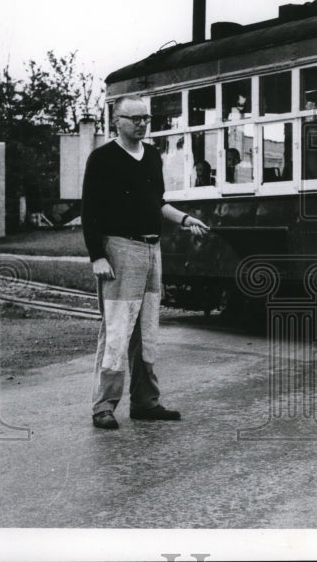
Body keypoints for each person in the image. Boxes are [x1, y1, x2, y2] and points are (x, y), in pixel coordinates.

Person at [82, 96, 209, 430]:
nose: (141, 124)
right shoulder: (103, 158)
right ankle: (103, 406)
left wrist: (184, 219)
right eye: (134, 118)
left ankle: (145, 401)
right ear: (117, 120)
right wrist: (97, 256)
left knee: (148, 329)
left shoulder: (152, 156)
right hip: (119, 250)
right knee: (117, 329)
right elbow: (90, 212)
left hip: (152, 251)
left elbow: (157, 202)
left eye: (146, 118)